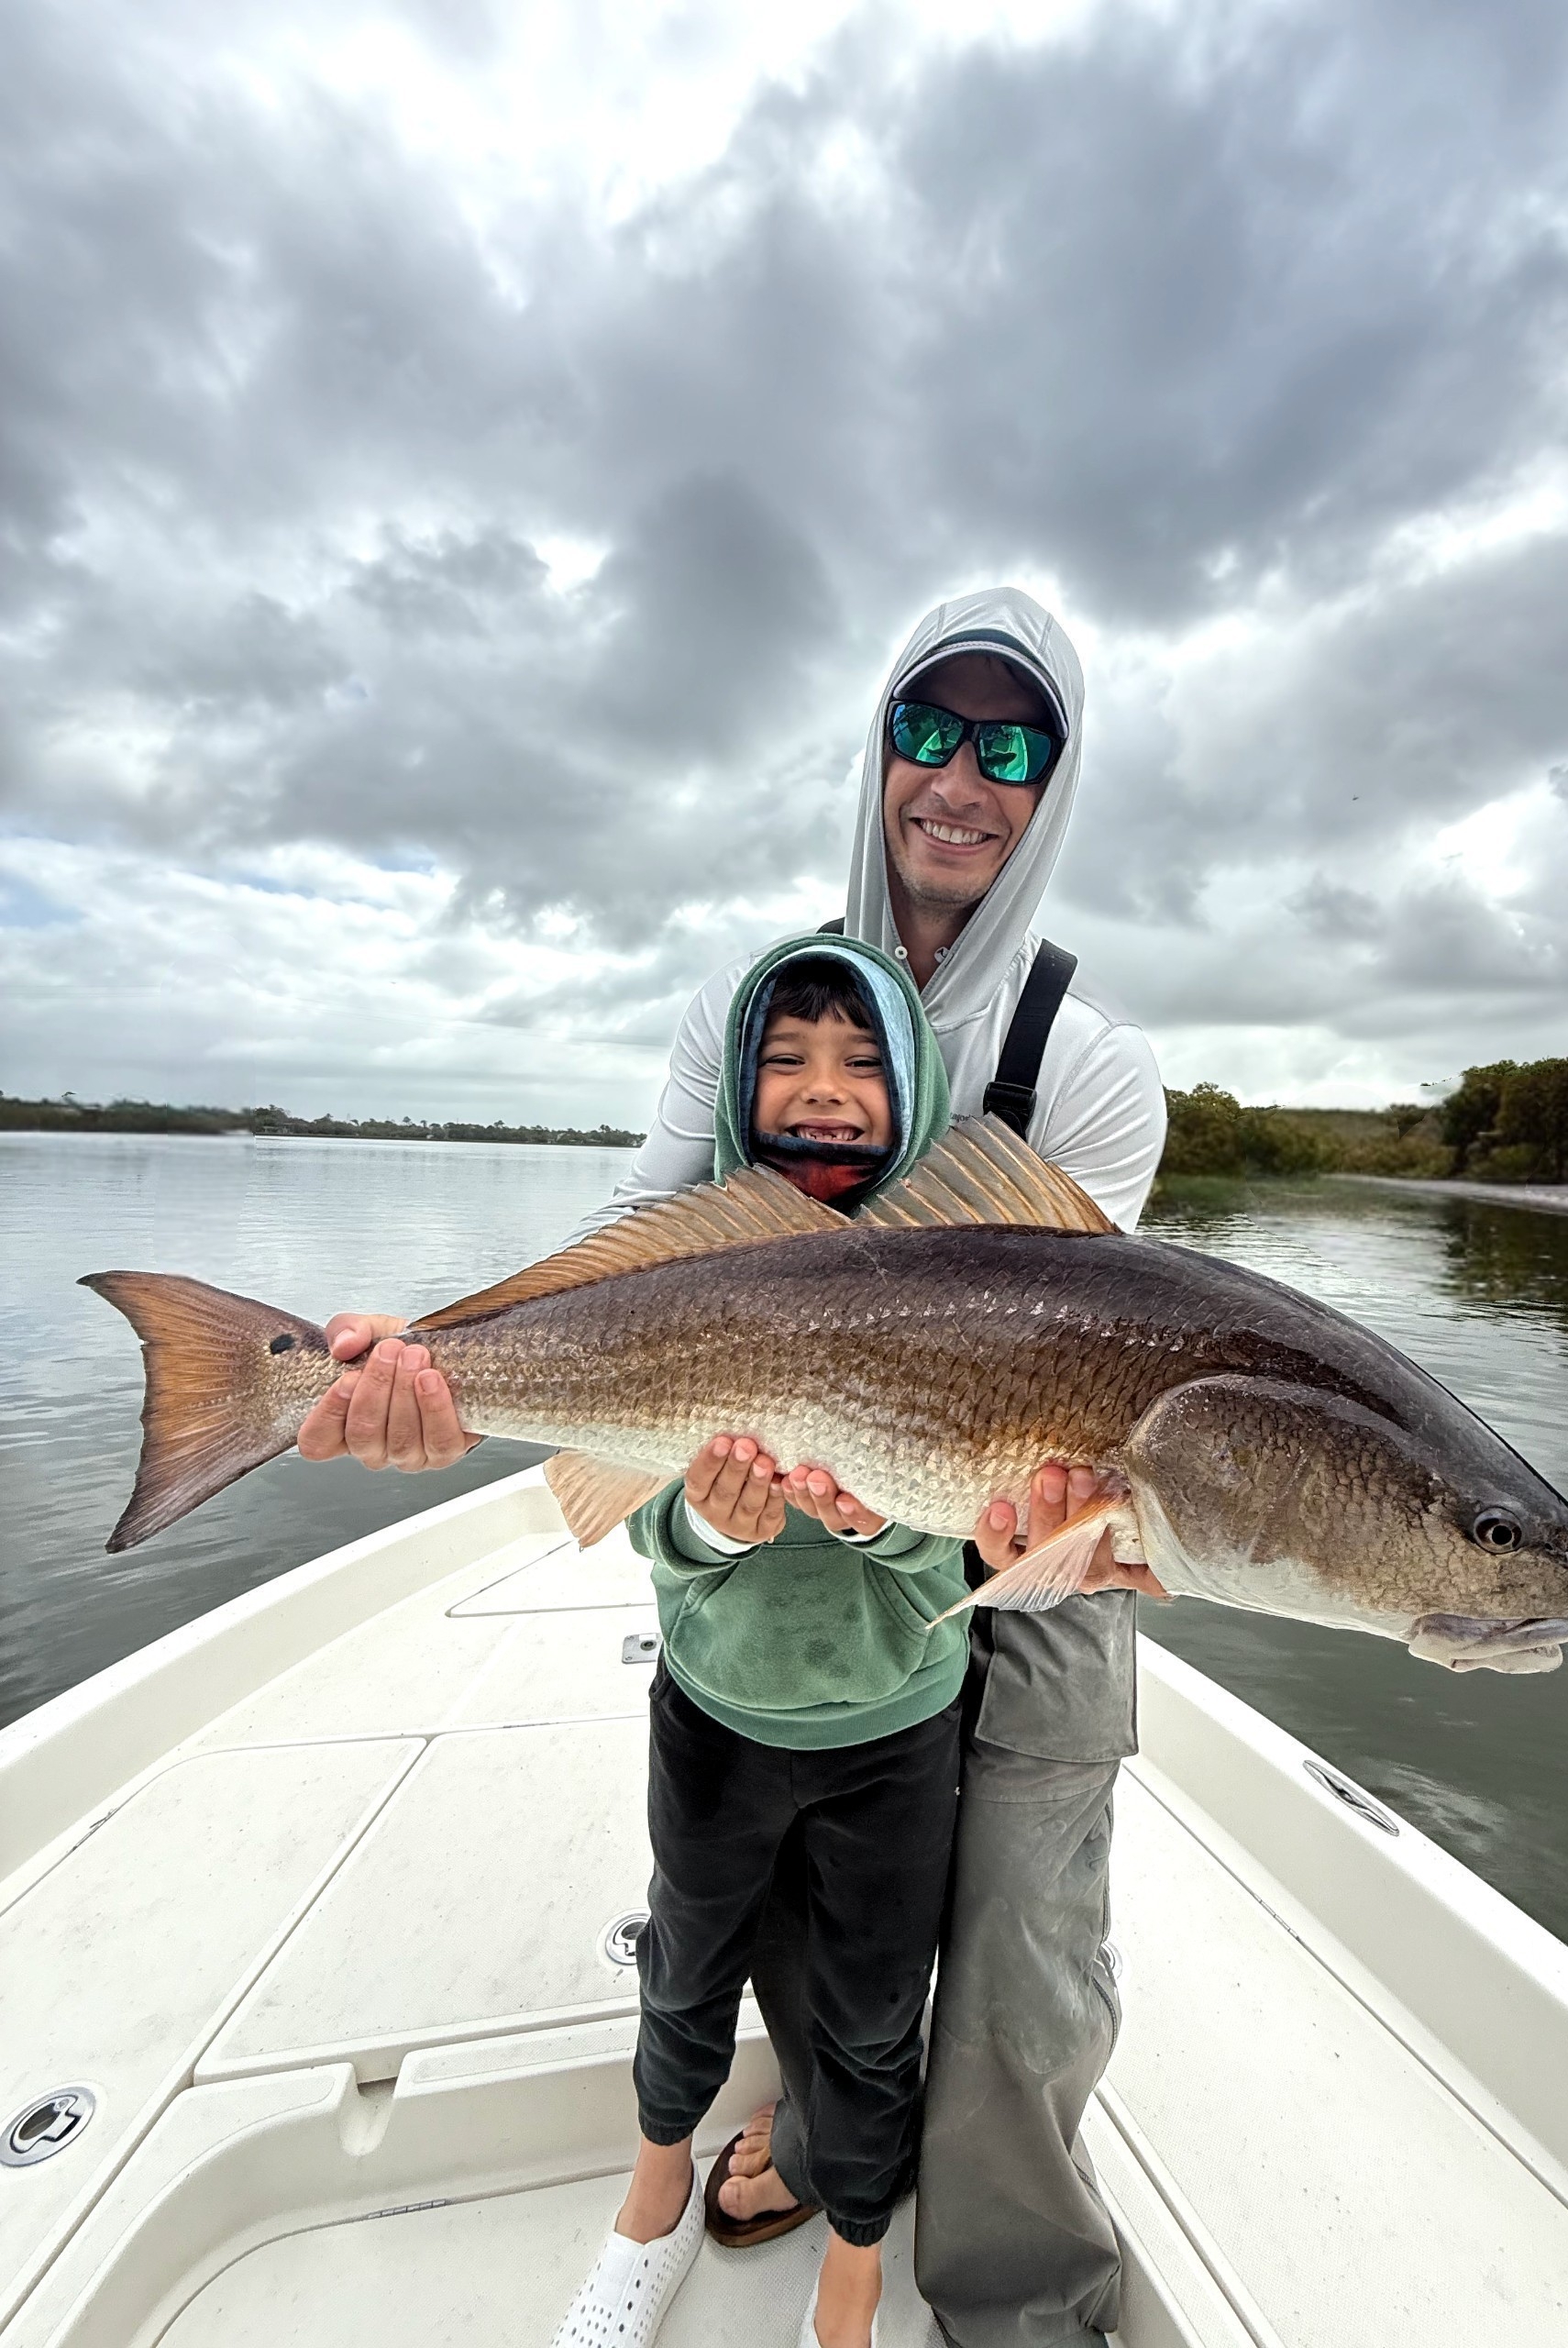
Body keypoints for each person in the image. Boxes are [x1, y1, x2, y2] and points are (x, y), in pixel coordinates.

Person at [299, 588, 1169, 2348]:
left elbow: (1100, 1340)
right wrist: (440, 1362)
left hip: (1017, 1492)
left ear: (1052, 784)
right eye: (933, 729)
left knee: (1012, 1919)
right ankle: (820, 2118)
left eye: (1012, 746)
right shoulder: (753, 997)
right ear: (880, 748)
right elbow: (653, 1234)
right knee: (769, 1822)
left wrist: (1005, 1513)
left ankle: (990, 2274)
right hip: (784, 1454)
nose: (961, 778)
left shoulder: (1091, 1062)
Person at [549, 934, 972, 2348]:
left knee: (869, 2019)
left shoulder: (964, 1286)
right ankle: (655, 2188)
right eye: (784, 1059)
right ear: (737, 1092)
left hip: (896, 1733)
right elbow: (634, 1513)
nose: (824, 1089)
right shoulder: (683, 1281)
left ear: (912, 1092)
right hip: (715, 1713)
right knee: (683, 1969)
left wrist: (877, 1528)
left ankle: (854, 2258)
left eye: (862, 1062)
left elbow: (960, 1564)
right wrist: (718, 1529)